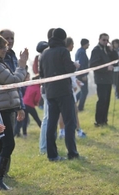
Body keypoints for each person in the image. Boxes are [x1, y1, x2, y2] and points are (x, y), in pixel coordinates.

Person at [39, 28, 81, 161]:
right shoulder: (63, 51)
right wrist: (75, 65)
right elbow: (69, 69)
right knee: (70, 122)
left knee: (51, 124)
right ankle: (72, 153)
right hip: (64, 91)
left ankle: (52, 155)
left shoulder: (44, 53)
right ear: (63, 39)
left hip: (50, 92)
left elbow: (41, 74)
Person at [0, 34, 28, 189]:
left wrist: (18, 106)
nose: (5, 49)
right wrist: (22, 64)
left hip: (6, 108)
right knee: (8, 143)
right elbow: (13, 81)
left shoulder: (1, 63)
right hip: (2, 110)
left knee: (3, 144)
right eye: (2, 46)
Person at [90, 33, 115, 127]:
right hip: (101, 79)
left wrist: (112, 50)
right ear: (99, 40)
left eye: (107, 40)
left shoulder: (107, 50)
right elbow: (93, 65)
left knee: (107, 100)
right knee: (101, 100)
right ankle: (98, 121)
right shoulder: (96, 50)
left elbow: (116, 60)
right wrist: (106, 68)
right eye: (103, 40)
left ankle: (104, 120)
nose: (105, 42)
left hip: (108, 79)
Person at [38, 28, 54, 155]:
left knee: (49, 118)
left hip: (49, 88)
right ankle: (44, 147)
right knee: (47, 118)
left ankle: (47, 146)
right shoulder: (46, 52)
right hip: (48, 88)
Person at [75, 38, 90, 111]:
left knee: (83, 90)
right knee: (85, 91)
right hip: (82, 75)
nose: (89, 45)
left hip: (80, 74)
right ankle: (80, 107)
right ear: (85, 44)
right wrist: (83, 75)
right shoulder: (82, 52)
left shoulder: (80, 51)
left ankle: (74, 101)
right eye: (88, 43)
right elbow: (81, 64)